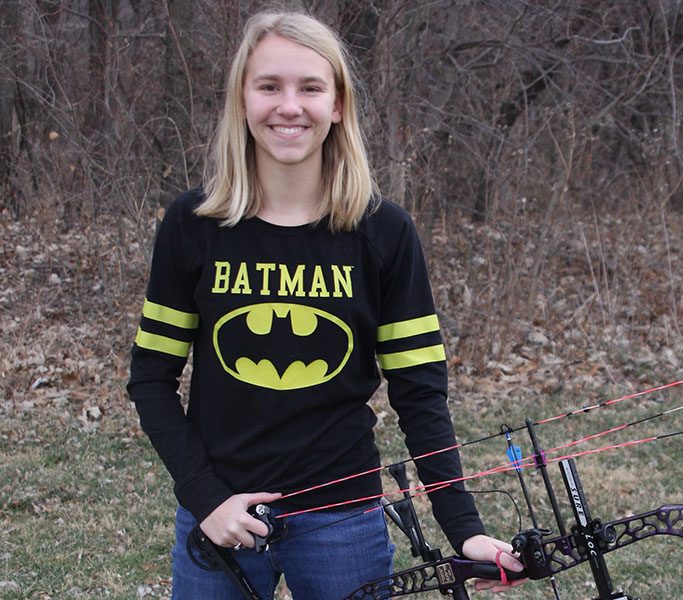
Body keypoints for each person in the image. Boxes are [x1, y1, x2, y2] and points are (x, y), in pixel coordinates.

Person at [127, 10, 524, 600]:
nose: (289, 106)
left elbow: (418, 389)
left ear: (337, 105)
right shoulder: (195, 224)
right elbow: (151, 379)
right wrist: (204, 497)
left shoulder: (383, 232)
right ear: (242, 100)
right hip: (221, 516)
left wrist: (463, 528)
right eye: (269, 86)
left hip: (343, 520)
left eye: (310, 87)